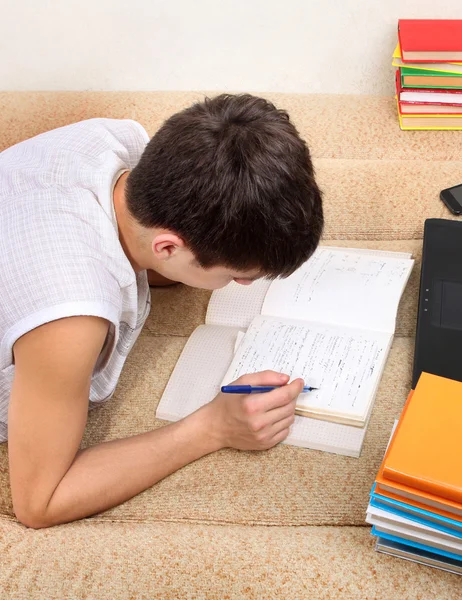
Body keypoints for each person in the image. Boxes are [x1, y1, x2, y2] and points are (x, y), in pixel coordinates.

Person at [0, 94, 323, 529]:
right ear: (167, 245)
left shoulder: (114, 143)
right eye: (236, 276)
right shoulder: (71, 319)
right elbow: (41, 502)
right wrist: (212, 427)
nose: (241, 287)